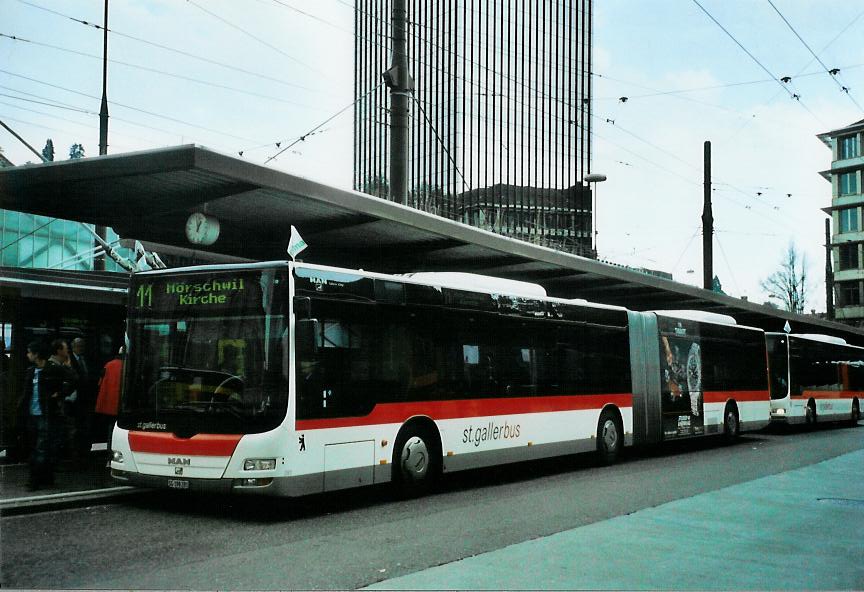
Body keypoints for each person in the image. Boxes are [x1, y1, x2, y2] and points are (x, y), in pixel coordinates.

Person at [19, 340, 76, 489]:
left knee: (41, 447)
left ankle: (34, 480)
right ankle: (46, 477)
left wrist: (60, 394)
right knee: (37, 447)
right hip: (33, 414)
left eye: (29, 352)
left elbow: (74, 379)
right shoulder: (31, 371)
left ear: (36, 354)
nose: (27, 355)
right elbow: (26, 393)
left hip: (46, 414)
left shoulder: (52, 369)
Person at [67, 337, 94, 463]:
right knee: (75, 427)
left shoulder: (85, 359)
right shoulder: (69, 360)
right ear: (73, 347)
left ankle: (84, 451)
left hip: (86, 398)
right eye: (79, 346)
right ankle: (75, 453)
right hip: (75, 400)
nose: (81, 348)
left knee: (85, 427)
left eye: (82, 346)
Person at [95, 347, 124, 453]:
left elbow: (100, 383)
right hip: (122, 405)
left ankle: (109, 453)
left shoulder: (108, 365)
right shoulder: (127, 366)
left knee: (110, 429)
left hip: (109, 404)